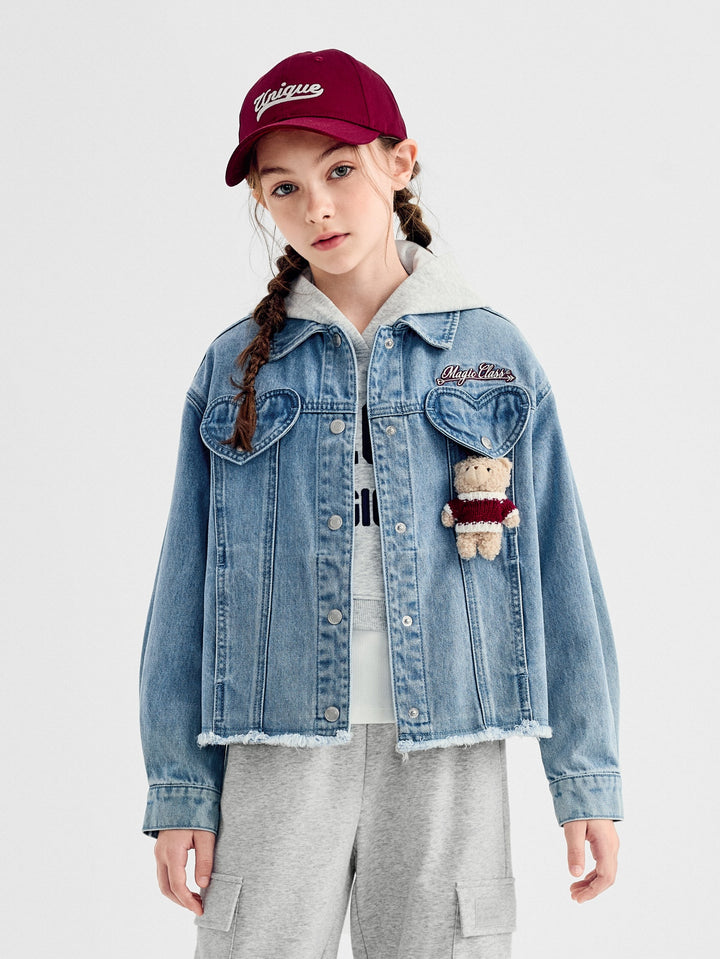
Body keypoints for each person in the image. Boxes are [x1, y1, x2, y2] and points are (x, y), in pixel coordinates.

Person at [139, 48, 623, 958]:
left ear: (400, 163)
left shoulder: (491, 354)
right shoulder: (236, 366)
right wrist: (181, 789)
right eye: (284, 188)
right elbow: (185, 584)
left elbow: (561, 567)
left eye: (339, 171)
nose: (316, 207)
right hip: (275, 742)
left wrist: (586, 776)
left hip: (450, 744)